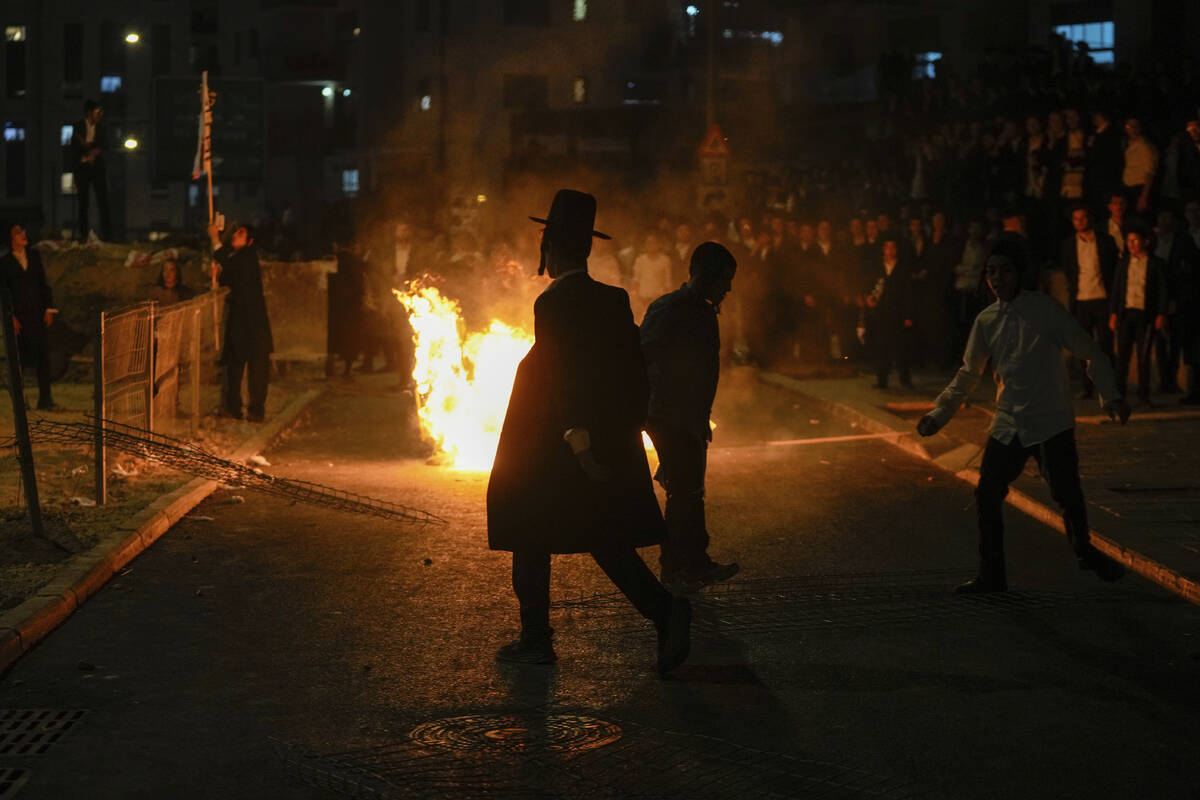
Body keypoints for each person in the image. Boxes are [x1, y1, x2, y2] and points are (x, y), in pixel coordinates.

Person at [486, 189, 691, 674]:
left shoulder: (553, 304)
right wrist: (631, 433)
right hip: (596, 439)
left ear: (550, 246)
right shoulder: (614, 300)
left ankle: (539, 638)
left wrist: (579, 438)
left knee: (528, 527)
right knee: (601, 534)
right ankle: (664, 612)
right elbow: (634, 373)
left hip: (551, 444)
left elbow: (562, 376)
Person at [917, 233, 1130, 593]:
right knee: (987, 495)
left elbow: (1090, 350)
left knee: (1068, 495)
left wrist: (1111, 396)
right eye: (991, 273)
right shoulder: (986, 321)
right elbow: (969, 373)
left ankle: (1085, 552)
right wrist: (938, 415)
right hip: (1009, 422)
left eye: (1005, 272)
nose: (997, 280)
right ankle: (992, 574)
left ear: (1020, 274)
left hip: (1050, 421)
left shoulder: (1045, 311)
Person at [640, 242, 740, 592]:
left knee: (688, 491)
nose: (727, 287)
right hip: (669, 415)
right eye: (724, 279)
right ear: (703, 275)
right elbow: (642, 355)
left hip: (691, 417)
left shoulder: (704, 311)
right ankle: (681, 566)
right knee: (684, 491)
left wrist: (701, 418)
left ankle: (689, 563)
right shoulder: (670, 308)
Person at [207, 222, 273, 422]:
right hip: (240, 323)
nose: (235, 236)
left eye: (241, 234)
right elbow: (229, 273)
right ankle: (234, 407)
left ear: (249, 241)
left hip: (254, 324)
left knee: (257, 370)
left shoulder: (248, 257)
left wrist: (215, 240)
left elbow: (229, 263)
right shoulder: (238, 259)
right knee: (234, 367)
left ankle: (255, 410)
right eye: (235, 233)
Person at [1060, 204, 1118, 398]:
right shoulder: (1069, 244)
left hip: (1102, 300)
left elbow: (1113, 270)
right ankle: (1088, 388)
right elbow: (1069, 272)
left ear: (1090, 218)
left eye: (1083, 217)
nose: (1080, 222)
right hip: (1081, 301)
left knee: (1105, 346)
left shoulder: (1105, 241)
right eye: (1076, 219)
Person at [0, 223, 59, 410]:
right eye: (18, 233)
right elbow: (3, 292)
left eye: (23, 231)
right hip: (19, 319)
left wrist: (48, 309)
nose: (23, 234)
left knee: (43, 358)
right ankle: (20, 401)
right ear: (10, 239)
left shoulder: (34, 257)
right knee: (20, 361)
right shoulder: (5, 263)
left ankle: (45, 399)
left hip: (37, 315)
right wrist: (10, 318)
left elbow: (43, 284)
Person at [1109, 224, 1168, 405]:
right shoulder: (1123, 262)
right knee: (1123, 357)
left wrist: (1161, 314)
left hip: (1145, 315)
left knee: (1143, 357)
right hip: (1126, 314)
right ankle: (1119, 395)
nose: (1131, 244)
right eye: (1129, 241)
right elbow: (1117, 289)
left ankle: (1143, 395)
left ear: (1145, 242)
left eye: (1135, 240)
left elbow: (1162, 291)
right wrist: (1113, 313)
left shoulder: (1156, 263)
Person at [863, 236, 914, 389]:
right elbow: (869, 286)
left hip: (898, 313)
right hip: (881, 313)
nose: (889, 251)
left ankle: (905, 379)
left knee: (900, 346)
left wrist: (908, 315)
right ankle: (882, 380)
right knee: (881, 346)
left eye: (893, 248)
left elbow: (909, 293)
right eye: (887, 247)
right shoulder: (877, 267)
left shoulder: (903, 268)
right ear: (883, 250)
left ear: (896, 250)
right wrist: (868, 299)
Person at [70, 100, 112, 242]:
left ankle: (107, 235)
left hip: (97, 169)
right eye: (97, 112)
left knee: (103, 200)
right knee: (83, 203)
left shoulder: (102, 127)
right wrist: (87, 150)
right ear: (89, 113)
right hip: (82, 169)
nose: (100, 115)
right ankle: (83, 235)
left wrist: (94, 150)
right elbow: (75, 146)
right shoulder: (78, 126)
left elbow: (105, 144)